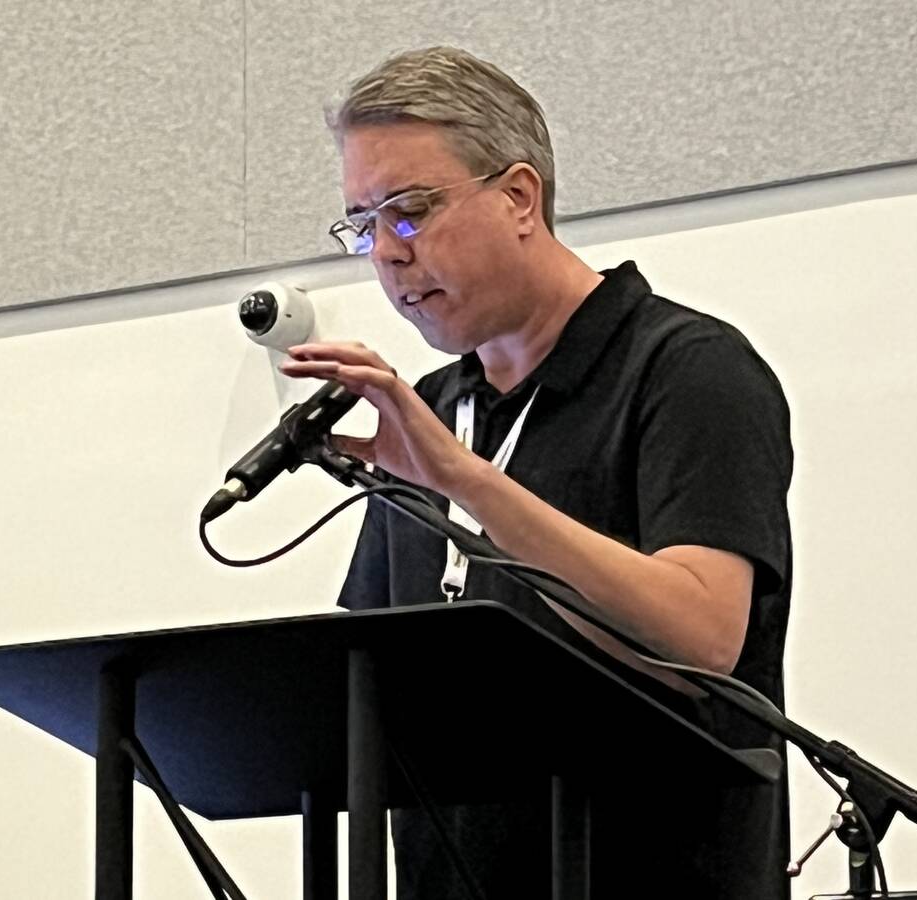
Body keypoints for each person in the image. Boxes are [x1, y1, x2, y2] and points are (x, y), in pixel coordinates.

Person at [280, 46, 793, 900]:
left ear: (520, 197)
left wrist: (465, 481)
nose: (387, 255)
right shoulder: (433, 410)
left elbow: (701, 637)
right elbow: (367, 689)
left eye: (408, 210)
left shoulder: (687, 369)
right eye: (363, 225)